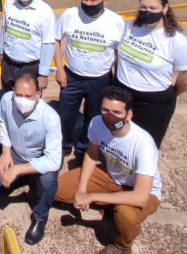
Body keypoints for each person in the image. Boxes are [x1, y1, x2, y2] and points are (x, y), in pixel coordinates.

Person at [55, 86, 162, 254]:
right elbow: (91, 154)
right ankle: (110, 204)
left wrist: (91, 196)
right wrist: (81, 189)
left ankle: (122, 246)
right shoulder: (97, 123)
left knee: (126, 215)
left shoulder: (144, 144)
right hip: (111, 175)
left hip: (141, 190)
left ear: (129, 115)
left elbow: (141, 197)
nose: (110, 116)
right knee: (57, 189)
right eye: (105, 110)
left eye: (117, 112)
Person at [0, 74, 61, 246]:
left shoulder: (50, 118)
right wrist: (5, 150)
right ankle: (24, 179)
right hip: (15, 153)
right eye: (18, 95)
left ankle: (40, 217)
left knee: (48, 181)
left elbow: (54, 160)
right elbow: (3, 121)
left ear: (38, 95)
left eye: (28, 96)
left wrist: (17, 169)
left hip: (39, 158)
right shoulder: (6, 100)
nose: (22, 100)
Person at [115, 0, 187, 147]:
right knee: (118, 138)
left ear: (165, 9)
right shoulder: (130, 27)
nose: (147, 11)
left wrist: (171, 94)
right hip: (122, 92)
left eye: (153, 8)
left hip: (153, 101)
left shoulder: (176, 41)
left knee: (144, 145)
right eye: (143, 7)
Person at [54, 0, 126, 158]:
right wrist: (59, 69)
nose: (87, 4)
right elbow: (56, 39)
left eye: (93, 1)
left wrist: (116, 81)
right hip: (71, 76)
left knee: (94, 117)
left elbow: (121, 53)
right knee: (65, 115)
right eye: (84, 0)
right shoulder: (70, 15)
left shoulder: (116, 22)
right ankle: (63, 146)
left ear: (105, 0)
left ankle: (84, 149)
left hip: (100, 79)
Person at [0, 0, 56, 93]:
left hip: (30, 66)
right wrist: (1, 51)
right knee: (7, 95)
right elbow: (5, 28)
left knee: (27, 99)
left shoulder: (45, 12)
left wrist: (43, 74)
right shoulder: (10, 3)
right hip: (8, 62)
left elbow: (48, 44)